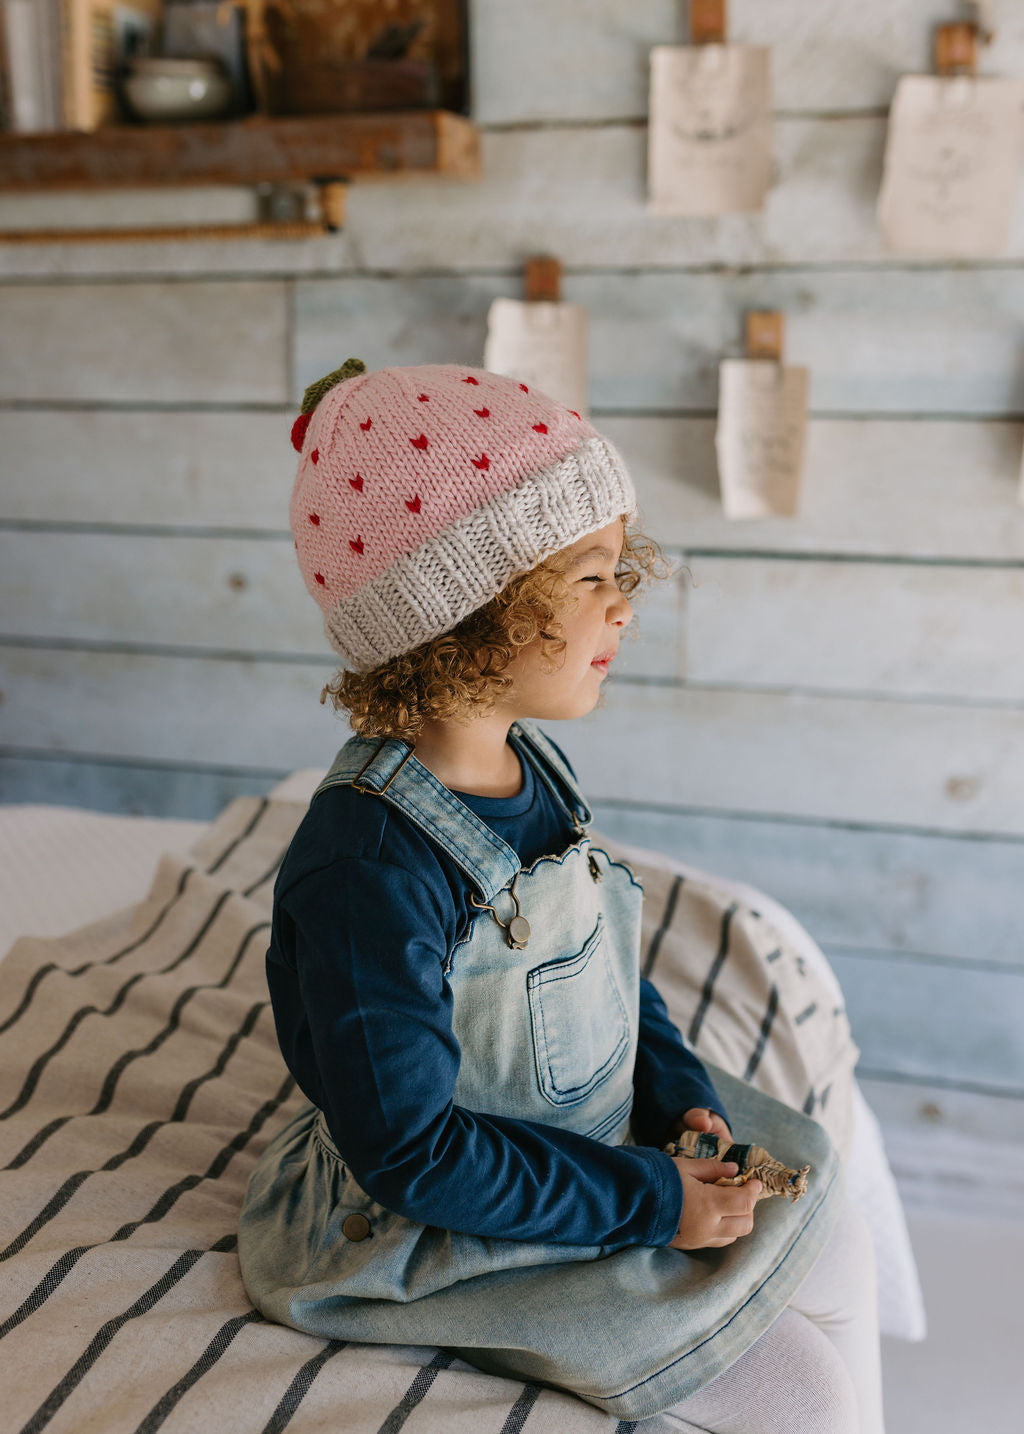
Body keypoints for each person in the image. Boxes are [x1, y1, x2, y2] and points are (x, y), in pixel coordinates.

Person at [237, 358, 884, 1431]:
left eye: (621, 570)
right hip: (448, 1214)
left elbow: (596, 965)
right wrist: (652, 1201)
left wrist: (674, 1095)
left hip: (584, 1142)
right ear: (465, 612)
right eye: (589, 578)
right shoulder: (367, 868)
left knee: (824, 1212)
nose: (624, 604)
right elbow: (413, 1156)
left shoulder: (528, 766)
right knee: (794, 1386)